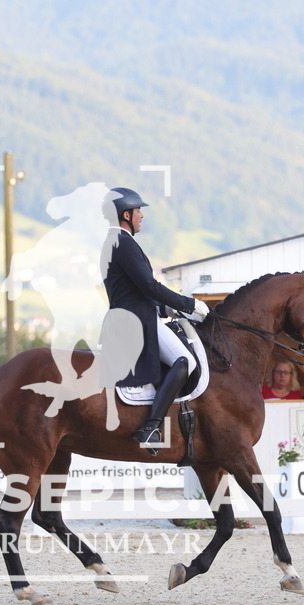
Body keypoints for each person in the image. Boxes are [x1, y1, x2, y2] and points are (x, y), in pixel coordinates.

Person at [101, 187, 209, 452]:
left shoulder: (117, 242)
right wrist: (189, 304)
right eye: (138, 211)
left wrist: (166, 309)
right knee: (186, 361)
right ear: (126, 214)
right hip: (136, 322)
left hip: (135, 315)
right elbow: (148, 285)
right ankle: (151, 427)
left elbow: (134, 290)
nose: (142, 216)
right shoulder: (122, 243)